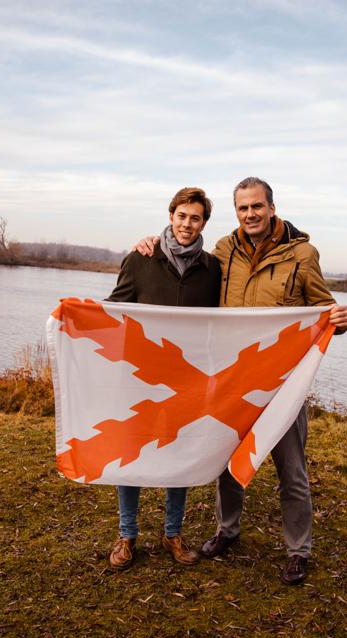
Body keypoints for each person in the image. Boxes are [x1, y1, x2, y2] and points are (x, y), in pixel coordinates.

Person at [134, 177, 347, 584]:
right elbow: (185, 266)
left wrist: (341, 321)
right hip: (234, 383)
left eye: (257, 207)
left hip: (283, 385)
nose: (250, 214)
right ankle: (227, 530)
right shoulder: (224, 251)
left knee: (291, 470)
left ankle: (298, 550)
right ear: (236, 212)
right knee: (228, 463)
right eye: (242, 208)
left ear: (271, 208)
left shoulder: (303, 254)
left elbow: (324, 310)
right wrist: (150, 246)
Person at [105, 186, 222, 571]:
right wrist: (75, 318)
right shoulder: (140, 259)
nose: (188, 224)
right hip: (139, 374)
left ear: (204, 222)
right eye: (182, 216)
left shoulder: (212, 268)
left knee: (179, 452)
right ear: (171, 215)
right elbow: (114, 311)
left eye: (196, 218)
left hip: (186, 378)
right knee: (133, 451)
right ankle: (127, 535)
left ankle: (173, 532)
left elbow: (218, 324)